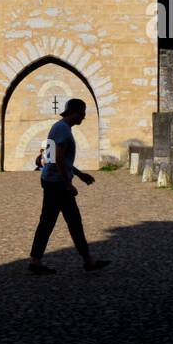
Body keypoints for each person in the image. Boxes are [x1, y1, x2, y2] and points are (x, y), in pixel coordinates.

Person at [28, 98, 110, 274]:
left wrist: (79, 175)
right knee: (71, 221)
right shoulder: (63, 131)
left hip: (51, 181)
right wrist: (68, 184)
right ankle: (88, 261)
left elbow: (54, 158)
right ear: (74, 112)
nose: (83, 117)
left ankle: (36, 261)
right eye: (82, 113)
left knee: (50, 221)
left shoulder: (58, 127)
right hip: (57, 184)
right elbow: (57, 159)